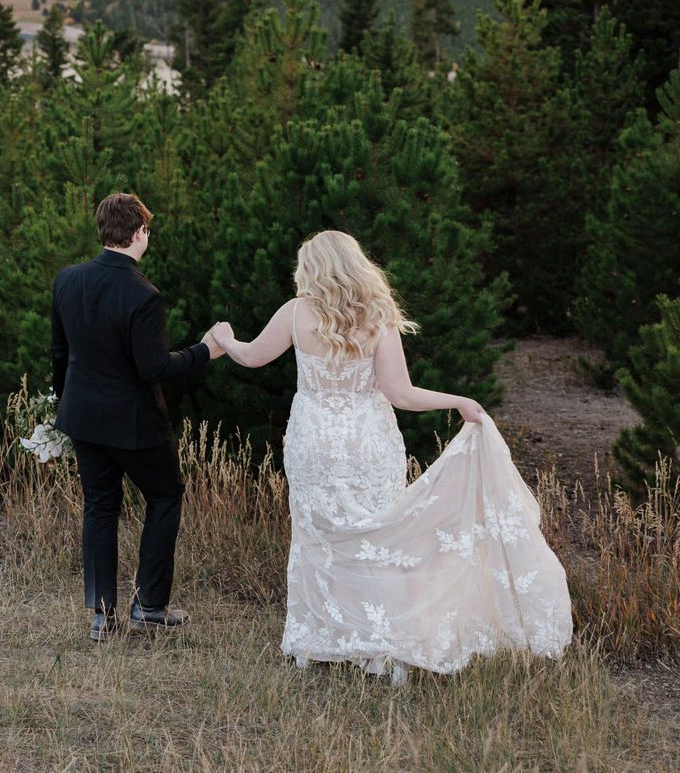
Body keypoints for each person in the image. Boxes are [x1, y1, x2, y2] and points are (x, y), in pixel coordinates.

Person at [208, 230, 572, 681]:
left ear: (312, 268)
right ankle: (386, 645)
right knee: (380, 536)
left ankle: (322, 639)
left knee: (320, 538)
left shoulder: (296, 313)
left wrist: (225, 338)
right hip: (368, 443)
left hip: (313, 444)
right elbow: (401, 393)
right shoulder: (377, 317)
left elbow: (251, 357)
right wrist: (456, 400)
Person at [50, 191, 223, 643]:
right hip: (133, 425)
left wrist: (62, 406)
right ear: (139, 233)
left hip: (82, 417)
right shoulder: (144, 294)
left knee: (100, 507)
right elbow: (155, 369)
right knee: (166, 495)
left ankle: (101, 616)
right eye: (148, 230)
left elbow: (59, 352)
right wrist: (206, 351)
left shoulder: (68, 280)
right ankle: (148, 606)